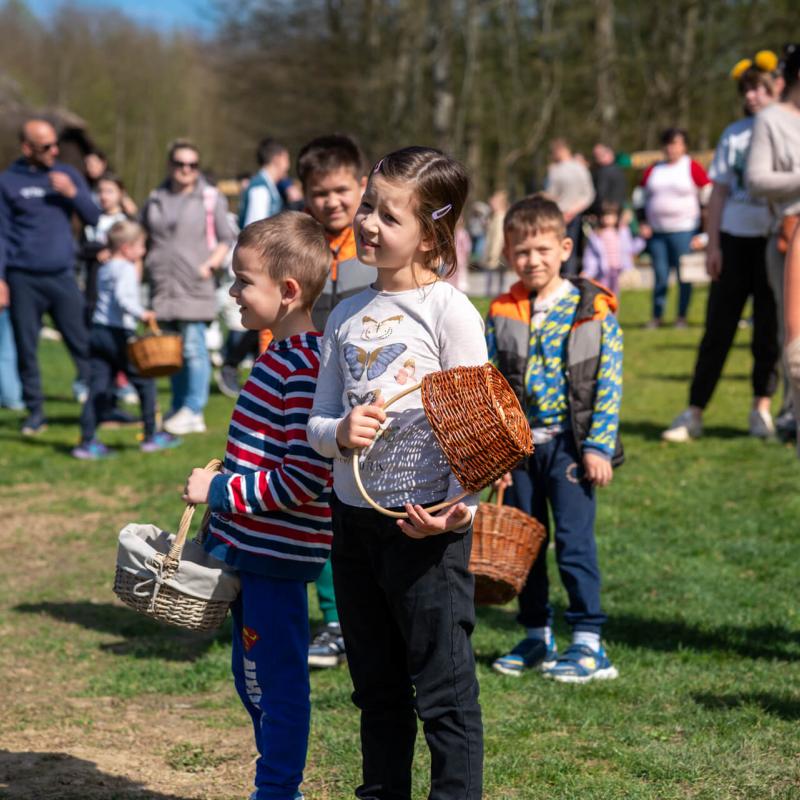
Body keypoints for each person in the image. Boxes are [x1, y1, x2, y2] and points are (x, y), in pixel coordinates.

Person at [308, 146, 485, 800]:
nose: (369, 224)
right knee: (376, 693)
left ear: (432, 233)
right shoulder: (346, 313)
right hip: (352, 531)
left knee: (443, 695)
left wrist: (456, 507)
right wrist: (337, 434)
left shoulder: (450, 313)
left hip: (427, 538)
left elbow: (480, 433)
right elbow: (318, 421)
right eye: (367, 207)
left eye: (389, 214)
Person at [182, 212, 333, 800]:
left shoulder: (303, 367)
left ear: (288, 291)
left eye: (244, 281)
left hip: (276, 559)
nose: (233, 292)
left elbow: (302, 478)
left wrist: (218, 492)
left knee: (278, 684)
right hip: (251, 551)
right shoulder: (276, 357)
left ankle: (276, 791)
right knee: (253, 682)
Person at [487, 194, 622, 684]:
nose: (532, 260)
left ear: (564, 248)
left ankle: (589, 640)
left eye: (542, 249)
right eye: (521, 251)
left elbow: (608, 380)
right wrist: (497, 453)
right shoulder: (502, 311)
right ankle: (536, 633)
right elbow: (491, 384)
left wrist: (597, 445)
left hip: (570, 446)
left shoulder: (592, 309)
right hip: (520, 449)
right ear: (508, 253)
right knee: (525, 544)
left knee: (572, 541)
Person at [663, 60, 780, 443]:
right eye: (745, 89)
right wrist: (712, 244)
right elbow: (719, 195)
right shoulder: (735, 134)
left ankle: (761, 408)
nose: (751, 95)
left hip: (776, 241)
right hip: (733, 242)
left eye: (759, 87)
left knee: (769, 329)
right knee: (718, 330)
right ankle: (694, 411)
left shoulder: (787, 129)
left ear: (776, 86)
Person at [295, 134, 374, 669]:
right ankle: (335, 620)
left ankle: (370, 615)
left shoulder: (376, 244)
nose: (333, 202)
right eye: (320, 192)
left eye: (342, 190)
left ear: (362, 185)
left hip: (372, 396)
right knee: (322, 512)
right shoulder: (299, 247)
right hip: (314, 398)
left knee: (369, 507)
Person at [0, 118, 99, 435]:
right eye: (46, 147)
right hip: (22, 277)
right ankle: (35, 413)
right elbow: (1, 234)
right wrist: (1, 279)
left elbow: (94, 215)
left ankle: (98, 403)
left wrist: (73, 193)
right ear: (27, 148)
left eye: (55, 144)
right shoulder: (8, 181)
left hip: (61, 275)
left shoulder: (66, 174)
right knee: (26, 348)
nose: (54, 150)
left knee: (83, 342)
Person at [141, 138, 235, 435]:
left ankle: (194, 409)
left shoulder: (210, 198)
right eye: (180, 164)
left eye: (192, 165)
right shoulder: (156, 197)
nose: (186, 170)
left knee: (194, 348)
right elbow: (142, 235)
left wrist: (208, 266)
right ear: (170, 165)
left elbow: (226, 237)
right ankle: (179, 406)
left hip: (195, 284)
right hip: (162, 285)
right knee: (171, 351)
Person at [71, 220, 181, 459]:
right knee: (145, 381)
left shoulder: (105, 267)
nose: (143, 250)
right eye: (141, 246)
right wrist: (142, 313)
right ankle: (152, 436)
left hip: (98, 332)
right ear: (127, 247)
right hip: (117, 333)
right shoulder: (126, 269)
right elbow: (122, 298)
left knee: (98, 387)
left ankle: (86, 442)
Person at [747, 43, 800, 442]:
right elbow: (757, 179)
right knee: (793, 330)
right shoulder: (771, 120)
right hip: (790, 232)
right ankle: (792, 411)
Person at [637, 128, 711, 328]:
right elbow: (640, 197)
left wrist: (704, 233)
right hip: (657, 231)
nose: (672, 148)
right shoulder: (654, 169)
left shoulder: (692, 167)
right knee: (660, 275)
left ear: (684, 146)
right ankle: (657, 316)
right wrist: (642, 222)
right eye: (668, 144)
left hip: (685, 230)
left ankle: (681, 317)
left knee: (683, 275)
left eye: (677, 143)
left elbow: (708, 197)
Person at [545, 138, 596, 277]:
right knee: (560, 249)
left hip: (570, 216)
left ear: (560, 150)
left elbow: (588, 194)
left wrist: (571, 212)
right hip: (560, 214)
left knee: (566, 250)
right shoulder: (557, 169)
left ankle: (568, 280)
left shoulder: (575, 168)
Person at [581, 200, 645, 297]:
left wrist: (641, 238)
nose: (607, 218)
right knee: (602, 294)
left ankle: (613, 312)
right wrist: (588, 271)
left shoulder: (622, 233)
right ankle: (604, 312)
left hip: (618, 270)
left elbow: (630, 249)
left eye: (611, 215)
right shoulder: (596, 235)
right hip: (603, 271)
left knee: (615, 296)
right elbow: (591, 256)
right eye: (605, 215)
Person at [239, 137, 290, 229]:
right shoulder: (260, 188)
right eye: (286, 160)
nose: (288, 166)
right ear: (277, 159)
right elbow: (254, 231)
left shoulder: (267, 185)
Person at [589, 143, 628, 217]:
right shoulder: (617, 169)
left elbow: (601, 193)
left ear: (609, 153)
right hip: (614, 209)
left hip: (608, 211)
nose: (597, 157)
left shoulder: (605, 171)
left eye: (600, 154)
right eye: (595, 155)